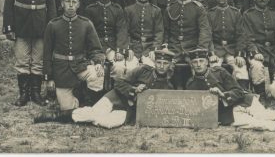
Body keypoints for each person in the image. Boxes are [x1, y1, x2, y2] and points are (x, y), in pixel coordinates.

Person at [34, 49, 176, 129]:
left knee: (106, 123)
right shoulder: (144, 70)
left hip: (128, 110)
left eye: (165, 63)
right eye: (159, 62)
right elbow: (119, 83)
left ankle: (83, 114)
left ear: (170, 65)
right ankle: (56, 116)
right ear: (155, 62)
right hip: (116, 97)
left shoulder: (169, 86)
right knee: (95, 113)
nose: (162, 66)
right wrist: (134, 89)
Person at [185, 49, 275, 132]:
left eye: (201, 61)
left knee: (264, 114)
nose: (198, 64)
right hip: (226, 113)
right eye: (195, 62)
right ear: (191, 64)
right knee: (256, 123)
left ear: (207, 62)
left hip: (244, 101)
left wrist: (223, 94)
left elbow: (238, 91)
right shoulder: (191, 84)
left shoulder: (219, 72)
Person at [3, 0, 56, 107]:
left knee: (38, 61)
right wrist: (9, 27)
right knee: (22, 60)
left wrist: (51, 26)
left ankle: (35, 93)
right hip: (21, 24)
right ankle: (23, 94)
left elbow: (51, 4)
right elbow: (8, 3)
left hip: (40, 25)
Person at [42, 0, 105, 111]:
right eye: (68, 2)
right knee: (67, 108)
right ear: (62, 4)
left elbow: (96, 49)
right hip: (61, 71)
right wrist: (48, 77)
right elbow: (46, 54)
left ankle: (90, 102)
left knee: (97, 74)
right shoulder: (53, 25)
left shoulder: (86, 24)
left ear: (78, 5)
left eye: (74, 2)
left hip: (80, 66)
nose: (71, 5)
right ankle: (74, 96)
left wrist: (98, 63)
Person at [164, 0, 212, 89]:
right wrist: (165, 45)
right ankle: (167, 91)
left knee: (199, 68)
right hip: (174, 47)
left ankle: (197, 91)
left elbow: (204, 30)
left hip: (193, 47)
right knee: (164, 66)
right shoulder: (170, 8)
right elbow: (166, 30)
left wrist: (201, 48)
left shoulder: (198, 8)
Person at [84, 0, 133, 79]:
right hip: (96, 47)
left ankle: (116, 91)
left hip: (112, 46)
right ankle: (96, 94)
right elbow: (88, 33)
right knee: (95, 70)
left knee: (119, 67)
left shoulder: (117, 9)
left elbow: (122, 30)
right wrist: (92, 50)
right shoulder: (90, 10)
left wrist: (120, 50)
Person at [242, 0, 275, 104]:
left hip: (274, 49)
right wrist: (254, 51)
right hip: (257, 48)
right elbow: (246, 36)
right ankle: (261, 95)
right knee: (257, 66)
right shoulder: (248, 14)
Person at [207, 0, 250, 89]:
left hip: (232, 49)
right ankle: (218, 98)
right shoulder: (210, 14)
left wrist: (239, 54)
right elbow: (208, 35)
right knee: (214, 68)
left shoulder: (235, 13)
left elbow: (241, 35)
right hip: (216, 49)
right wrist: (211, 53)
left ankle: (242, 95)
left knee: (241, 68)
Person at [125, 0, 164, 67]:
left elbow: (159, 32)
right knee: (129, 67)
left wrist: (154, 49)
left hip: (149, 48)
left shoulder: (156, 10)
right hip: (134, 47)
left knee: (152, 67)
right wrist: (129, 47)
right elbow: (125, 32)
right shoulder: (129, 10)